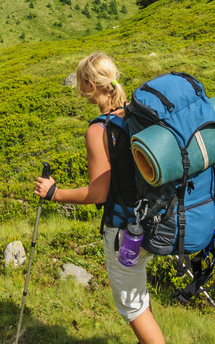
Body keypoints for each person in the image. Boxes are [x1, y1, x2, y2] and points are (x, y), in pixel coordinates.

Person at [33, 52, 165, 344]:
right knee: (139, 298)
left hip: (124, 231)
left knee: (133, 309)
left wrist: (54, 193)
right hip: (156, 221)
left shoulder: (99, 129)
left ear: (90, 85)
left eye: (81, 81)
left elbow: (98, 193)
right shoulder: (139, 114)